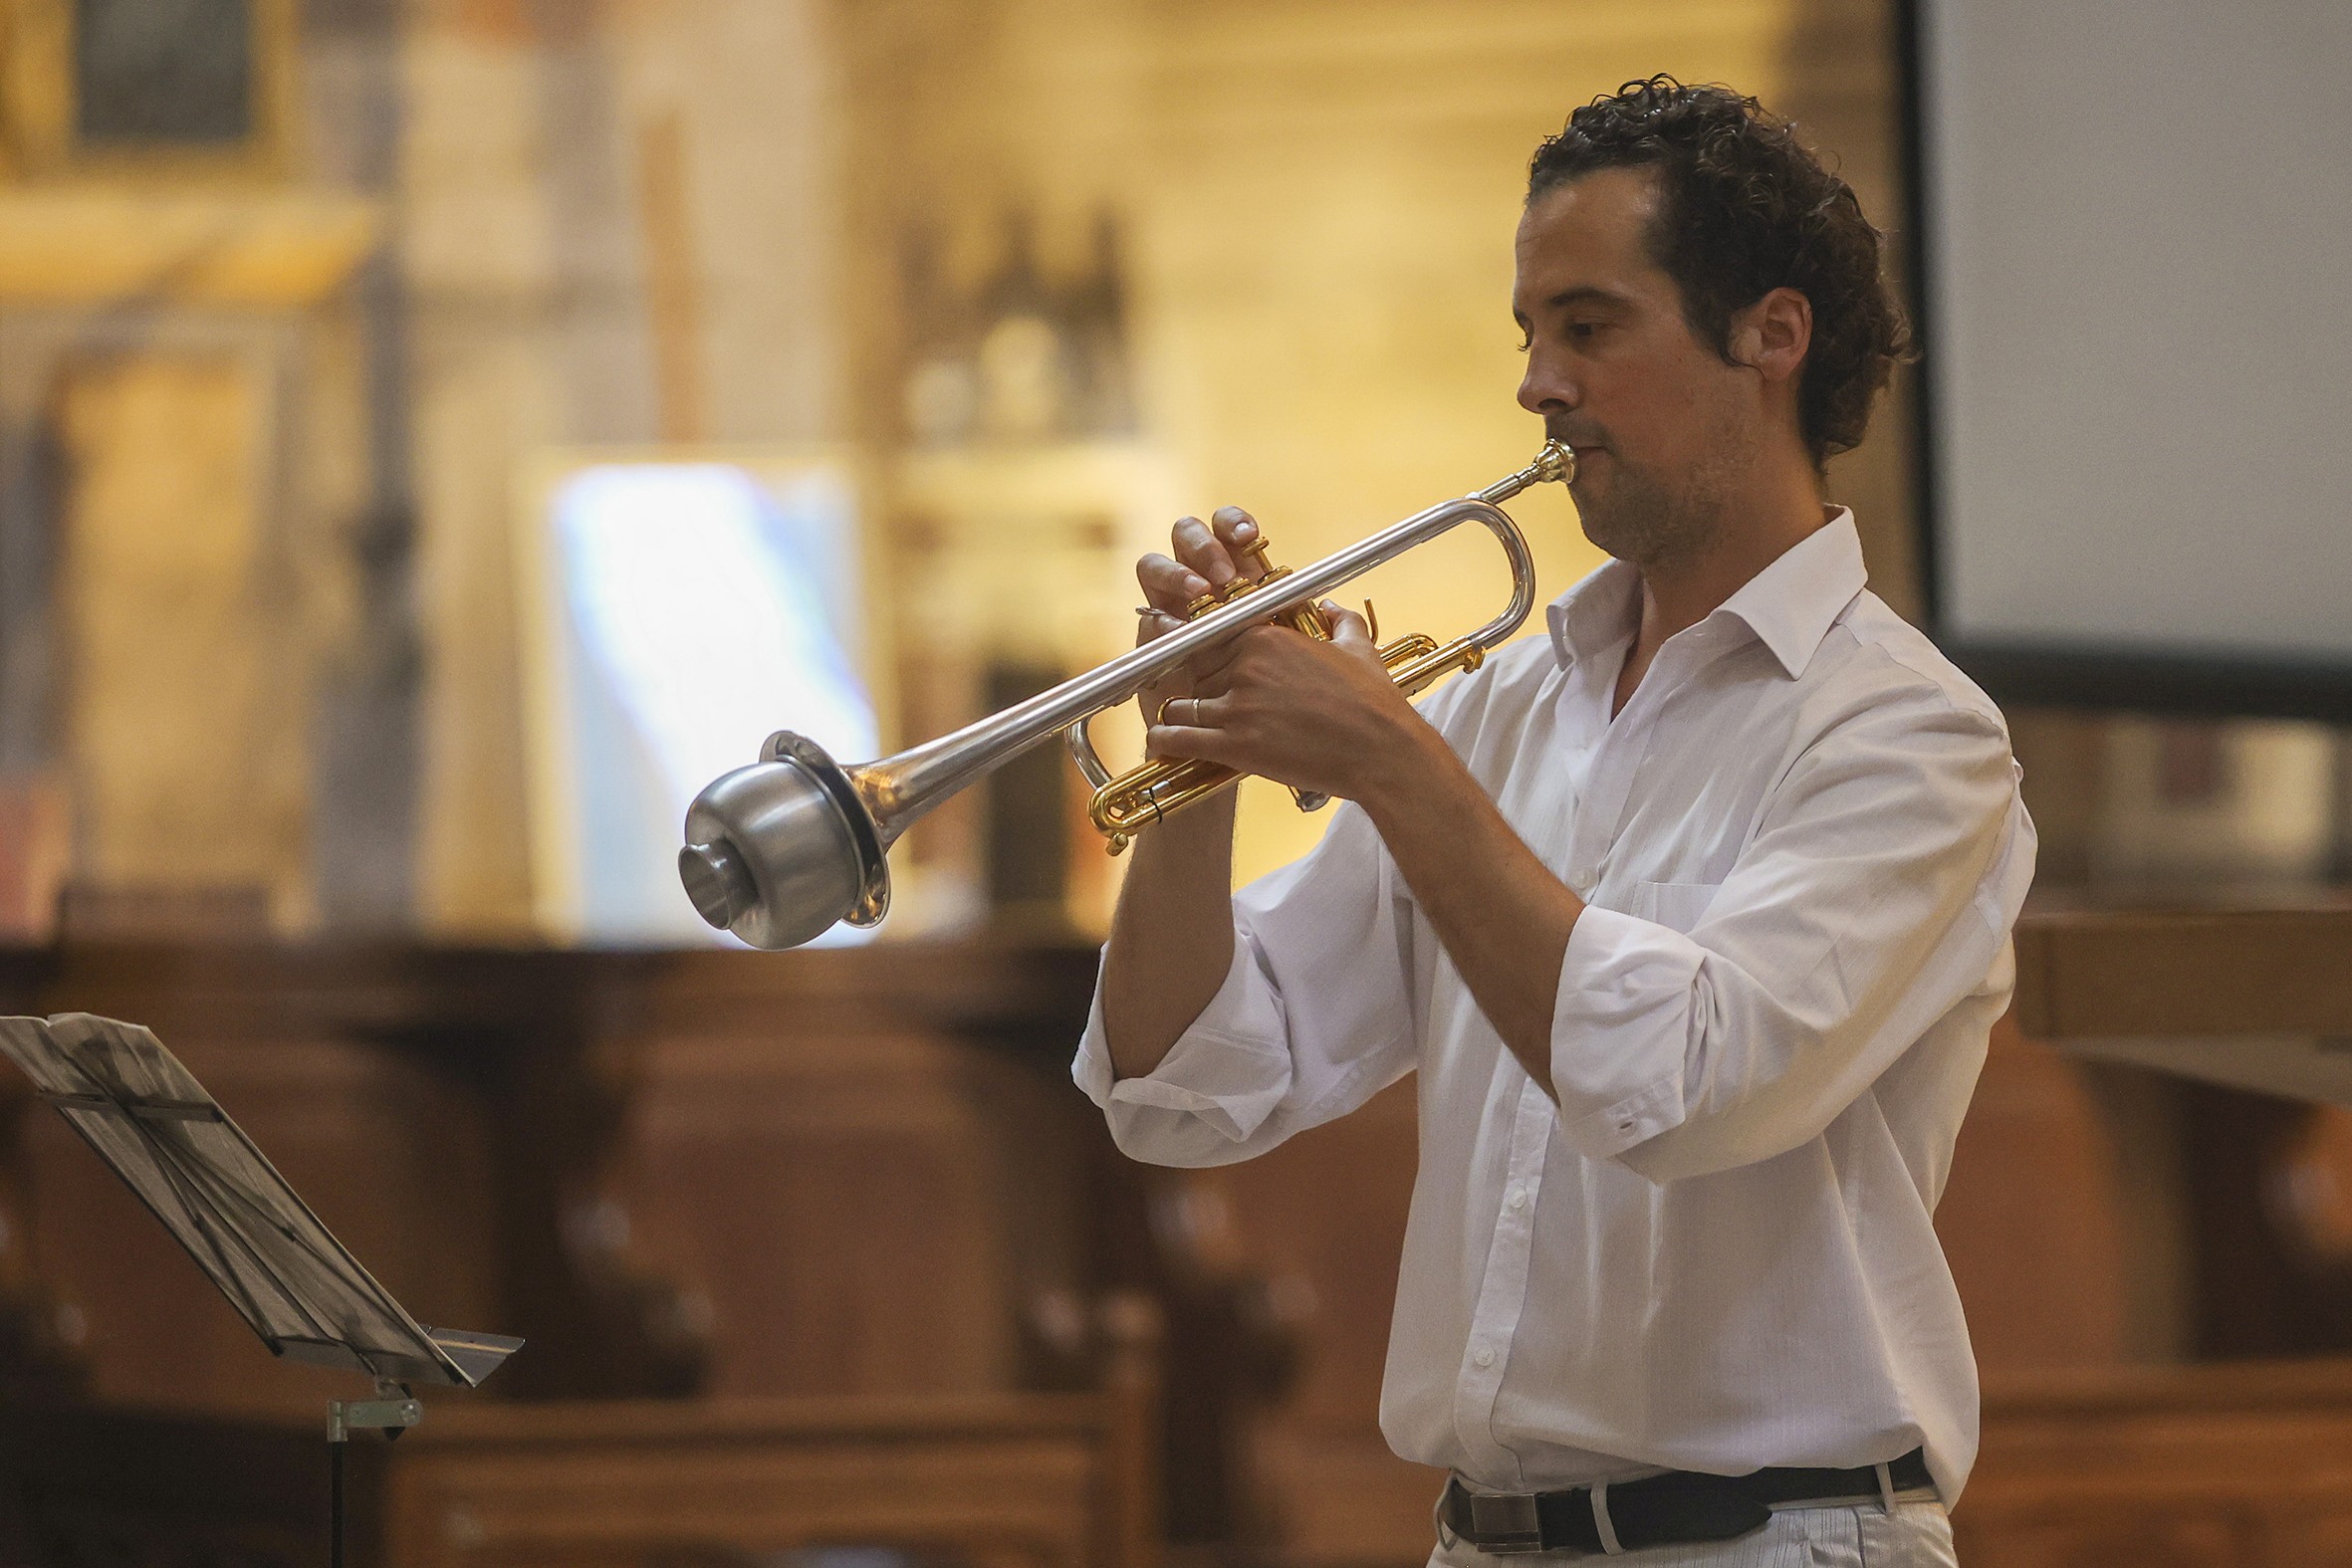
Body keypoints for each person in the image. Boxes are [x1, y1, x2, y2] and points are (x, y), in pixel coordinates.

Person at [1071, 76, 2036, 1566]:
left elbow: (1681, 1088)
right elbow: (1185, 1087)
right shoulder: (1495, 712)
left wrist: (1393, 763)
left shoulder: (1910, 735)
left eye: (1588, 327)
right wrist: (1195, 762)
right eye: (1527, 335)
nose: (1535, 384)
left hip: (1772, 1542)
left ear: (1769, 337)